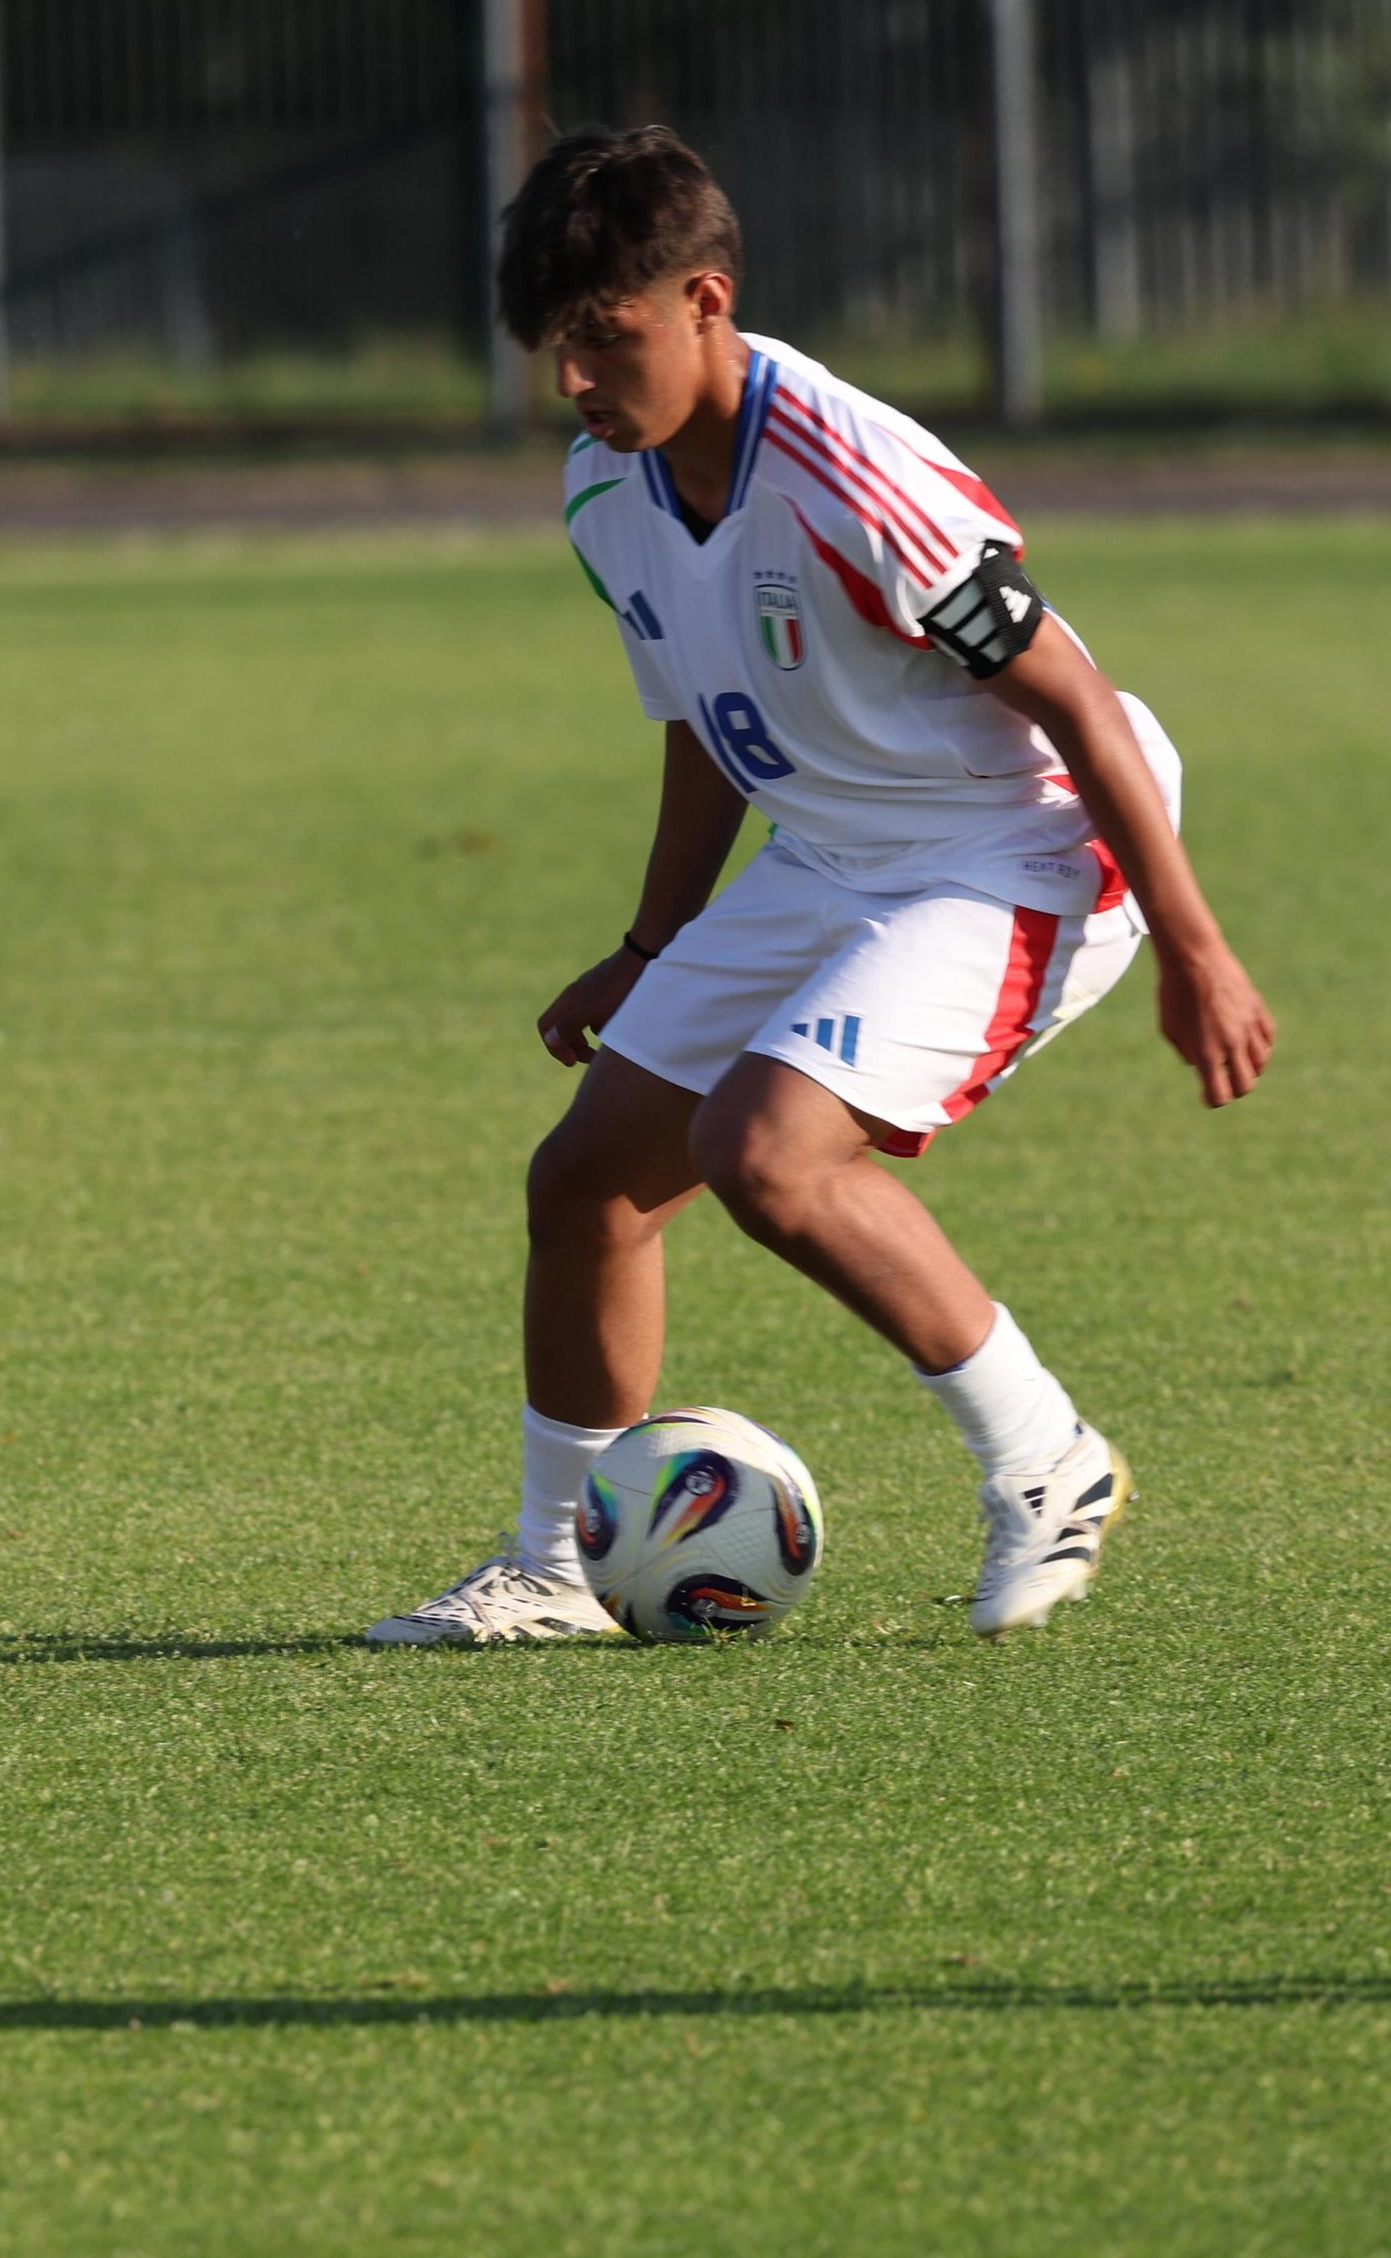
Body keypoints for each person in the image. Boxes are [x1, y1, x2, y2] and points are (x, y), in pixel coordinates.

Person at [367, 126, 1274, 1649]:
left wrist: (1194, 944)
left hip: (1018, 848)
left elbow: (1077, 701)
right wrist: (647, 944)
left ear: (705, 299)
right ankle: (557, 1566)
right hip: (835, 847)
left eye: (607, 336)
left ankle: (1045, 1462)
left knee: (767, 1155)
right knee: (585, 1182)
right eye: (552, 347)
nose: (576, 379)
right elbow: (709, 722)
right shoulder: (608, 485)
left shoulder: (854, 472)